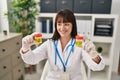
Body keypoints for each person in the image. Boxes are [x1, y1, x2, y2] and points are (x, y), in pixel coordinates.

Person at [20, 9, 105, 80]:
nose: (62, 28)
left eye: (66, 24)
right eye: (59, 24)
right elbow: (32, 59)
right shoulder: (49, 44)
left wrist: (94, 55)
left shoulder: (80, 45)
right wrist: (25, 48)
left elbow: (97, 67)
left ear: (73, 25)